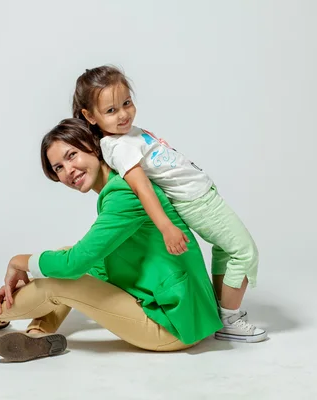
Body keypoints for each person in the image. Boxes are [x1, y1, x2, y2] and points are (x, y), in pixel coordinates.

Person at [0, 118, 223, 362]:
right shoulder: (120, 188)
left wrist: (20, 261)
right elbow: (99, 263)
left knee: (60, 276)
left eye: (71, 155)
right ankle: (40, 334)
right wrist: (40, 274)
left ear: (93, 147)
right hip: (177, 309)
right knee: (62, 261)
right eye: (58, 167)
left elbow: (75, 265)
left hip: (174, 325)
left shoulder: (124, 195)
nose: (67, 171)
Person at [70, 65, 267, 342]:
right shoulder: (119, 146)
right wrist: (166, 227)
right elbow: (142, 188)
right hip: (196, 202)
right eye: (111, 111)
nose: (124, 114)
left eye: (126, 103)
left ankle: (223, 312)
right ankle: (230, 320)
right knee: (244, 253)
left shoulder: (127, 136)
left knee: (225, 250)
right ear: (89, 116)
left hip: (201, 195)